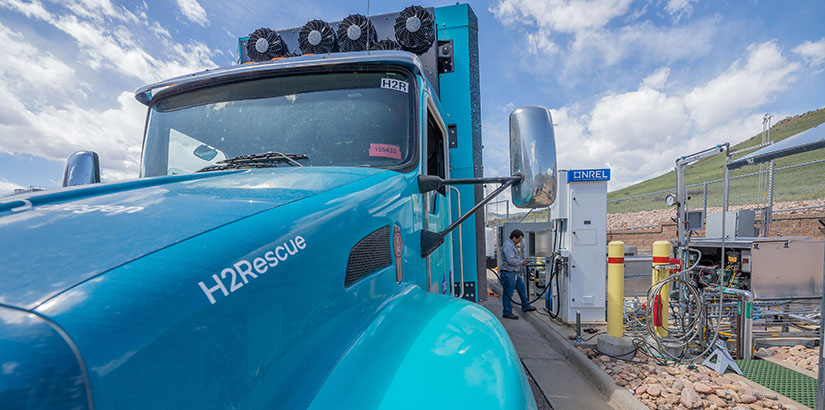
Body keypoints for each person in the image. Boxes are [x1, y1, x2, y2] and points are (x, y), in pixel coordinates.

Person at [499, 229, 536, 319]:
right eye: (519, 240)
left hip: (513, 272)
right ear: (514, 238)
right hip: (508, 273)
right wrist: (521, 262)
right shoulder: (508, 246)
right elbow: (510, 260)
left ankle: (526, 306)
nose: (519, 242)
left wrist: (521, 261)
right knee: (508, 293)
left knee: (522, 288)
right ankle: (507, 312)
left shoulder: (512, 245)